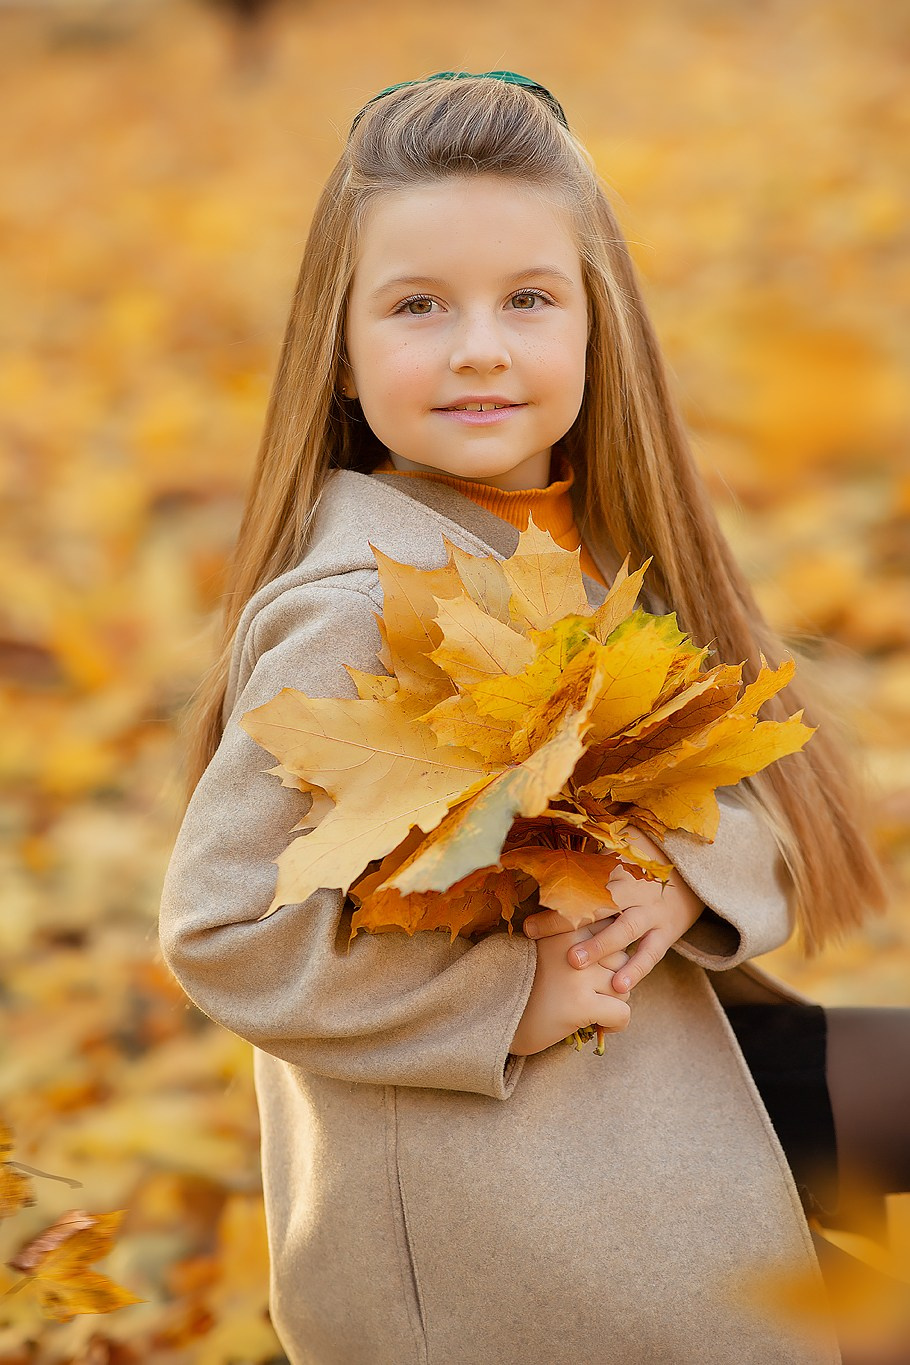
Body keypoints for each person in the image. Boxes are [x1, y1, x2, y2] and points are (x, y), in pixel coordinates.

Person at [158, 72, 910, 1364]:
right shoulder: (355, 606)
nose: (478, 348)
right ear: (338, 351)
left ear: (593, 325)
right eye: (417, 306)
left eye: (527, 298)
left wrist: (681, 877)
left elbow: (760, 798)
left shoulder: (587, 552)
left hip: (676, 1090)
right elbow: (221, 929)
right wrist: (508, 997)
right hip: (518, 1206)